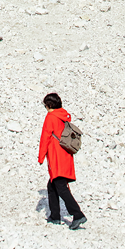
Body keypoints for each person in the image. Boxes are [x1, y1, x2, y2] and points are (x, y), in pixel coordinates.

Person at [38, 92, 86, 229]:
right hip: (66, 156)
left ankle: (77, 215)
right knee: (52, 186)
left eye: (45, 106)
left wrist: (41, 157)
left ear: (50, 105)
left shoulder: (51, 117)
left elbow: (45, 137)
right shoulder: (63, 116)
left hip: (56, 157)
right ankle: (55, 216)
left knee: (60, 187)